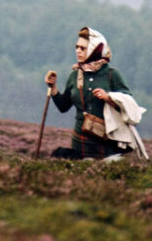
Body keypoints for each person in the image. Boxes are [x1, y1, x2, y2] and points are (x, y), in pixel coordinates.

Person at [44, 25, 133, 160]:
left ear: (95, 50)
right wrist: (53, 87)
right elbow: (63, 106)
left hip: (107, 146)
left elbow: (129, 104)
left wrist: (109, 97)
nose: (78, 51)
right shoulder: (74, 75)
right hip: (80, 145)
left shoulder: (112, 75)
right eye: (77, 47)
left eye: (83, 48)